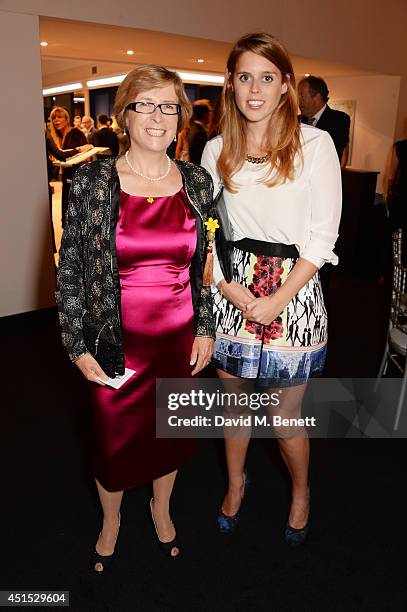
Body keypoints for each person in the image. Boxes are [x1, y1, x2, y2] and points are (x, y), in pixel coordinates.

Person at [56, 64, 215, 572]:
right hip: (113, 343)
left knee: (170, 434)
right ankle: (111, 519)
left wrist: (207, 328)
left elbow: (206, 266)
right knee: (114, 442)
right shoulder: (93, 179)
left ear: (181, 117)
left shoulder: (196, 181)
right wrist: (75, 345)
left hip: (178, 339)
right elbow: (72, 269)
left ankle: (161, 507)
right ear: (124, 114)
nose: (156, 116)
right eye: (143, 104)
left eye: (168, 105)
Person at [201, 32, 341, 546]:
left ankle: (300, 492)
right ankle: (236, 486)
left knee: (284, 419)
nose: (254, 88)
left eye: (267, 77)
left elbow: (323, 234)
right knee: (234, 406)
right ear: (231, 85)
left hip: (295, 292)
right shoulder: (217, 147)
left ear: (286, 85)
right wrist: (225, 286)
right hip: (233, 291)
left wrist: (279, 297)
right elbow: (203, 230)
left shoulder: (315, 143)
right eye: (244, 77)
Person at [298, 76, 350, 168]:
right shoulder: (296, 121)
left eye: (302, 96)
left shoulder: (339, 120)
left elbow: (333, 154)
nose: (299, 101)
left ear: (317, 97)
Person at [49, 107, 88, 227]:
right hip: (65, 178)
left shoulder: (76, 133)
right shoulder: (55, 137)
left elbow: (85, 156)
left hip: (77, 178)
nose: (56, 120)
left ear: (66, 119)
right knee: (67, 216)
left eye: (60, 117)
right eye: (54, 118)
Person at [176, 99, 211, 163]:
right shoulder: (200, 132)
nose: (211, 115)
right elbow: (200, 157)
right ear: (205, 114)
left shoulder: (193, 129)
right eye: (209, 112)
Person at [387, 138, 407, 231]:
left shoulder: (400, 146)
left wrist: (388, 191)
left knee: (397, 231)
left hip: (401, 196)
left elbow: (391, 176)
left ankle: (396, 246)